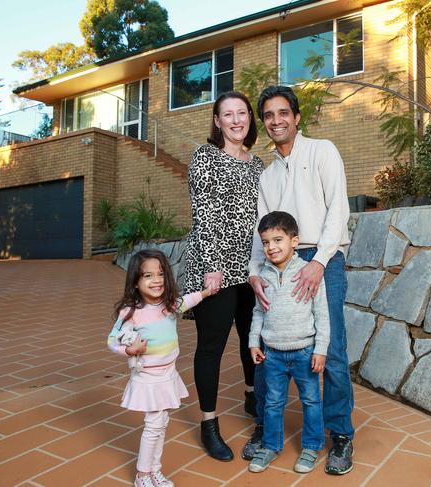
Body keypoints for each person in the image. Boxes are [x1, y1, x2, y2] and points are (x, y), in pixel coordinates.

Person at [243, 85, 355, 475]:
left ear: (296, 116)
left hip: (321, 257)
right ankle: (264, 426)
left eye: (282, 113)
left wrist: (319, 261)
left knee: (332, 348)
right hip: (278, 261)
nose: (276, 120)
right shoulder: (267, 175)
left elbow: (337, 210)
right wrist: (256, 273)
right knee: (270, 343)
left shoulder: (322, 150)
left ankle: (339, 434)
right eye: (269, 115)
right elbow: (262, 230)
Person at [182, 91, 264, 461]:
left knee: (253, 338)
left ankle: (252, 397)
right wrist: (212, 265)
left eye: (242, 113)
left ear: (250, 118)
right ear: (217, 121)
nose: (236, 120)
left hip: (251, 268)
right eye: (227, 114)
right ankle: (209, 424)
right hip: (214, 268)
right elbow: (205, 213)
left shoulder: (258, 164)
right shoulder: (206, 156)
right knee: (211, 347)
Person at [107, 249, 213, 487]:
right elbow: (112, 340)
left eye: (161, 274)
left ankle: (154, 470)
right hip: (149, 378)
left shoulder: (169, 306)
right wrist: (129, 350)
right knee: (154, 426)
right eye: (148, 276)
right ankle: (142, 475)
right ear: (135, 282)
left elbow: (188, 301)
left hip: (168, 375)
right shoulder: (132, 312)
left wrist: (206, 292)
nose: (156, 280)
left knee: (161, 424)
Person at [247, 211, 329, 474]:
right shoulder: (263, 276)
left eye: (278, 240)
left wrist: (321, 349)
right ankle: (270, 446)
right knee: (272, 403)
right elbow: (259, 311)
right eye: (266, 242)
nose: (272, 247)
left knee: (311, 402)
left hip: (305, 352)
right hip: (273, 354)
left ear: (295, 241)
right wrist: (253, 342)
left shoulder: (309, 272)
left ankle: (311, 446)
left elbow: (322, 314)